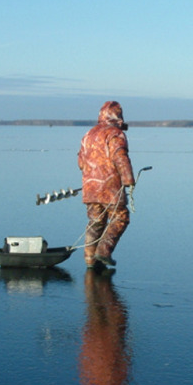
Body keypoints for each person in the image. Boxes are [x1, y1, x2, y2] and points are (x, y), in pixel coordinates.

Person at [77, 101, 135, 268]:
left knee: (96, 221)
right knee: (120, 217)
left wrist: (91, 174)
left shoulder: (88, 135)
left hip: (90, 186)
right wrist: (128, 179)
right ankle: (103, 251)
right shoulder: (115, 134)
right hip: (110, 186)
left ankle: (90, 259)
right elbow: (120, 157)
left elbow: (81, 162)